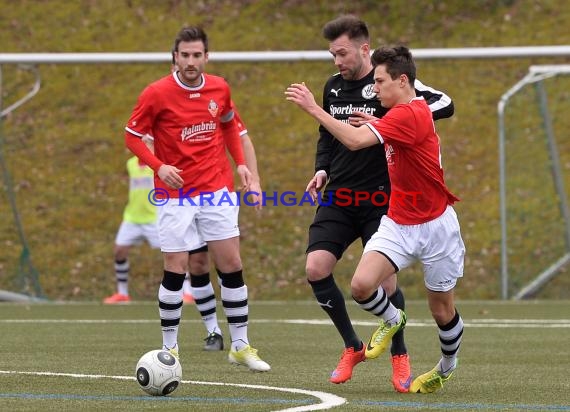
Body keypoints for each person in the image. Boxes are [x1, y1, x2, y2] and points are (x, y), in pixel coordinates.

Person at [286, 45, 465, 394]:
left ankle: (446, 366)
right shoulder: (396, 115)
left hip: (436, 227)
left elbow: (354, 141)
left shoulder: (410, 114)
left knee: (442, 310)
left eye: (380, 82)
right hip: (399, 221)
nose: (375, 88)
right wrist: (377, 124)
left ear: (402, 81)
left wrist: (313, 108)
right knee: (361, 286)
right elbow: (381, 131)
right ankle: (392, 318)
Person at [124, 25, 270, 372]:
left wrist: (242, 167)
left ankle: (240, 345)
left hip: (217, 190)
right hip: (175, 195)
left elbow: (229, 125)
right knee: (176, 268)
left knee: (231, 264)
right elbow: (131, 137)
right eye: (184, 55)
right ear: (175, 57)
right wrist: (159, 167)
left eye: (196, 55)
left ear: (206, 56)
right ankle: (169, 350)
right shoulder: (156, 93)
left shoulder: (220, 87)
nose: (190, 61)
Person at [187, 107, 263, 352]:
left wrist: (254, 181)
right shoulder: (163, 99)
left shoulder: (215, 98)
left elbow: (243, 138)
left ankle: (239, 339)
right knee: (197, 262)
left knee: (227, 262)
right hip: (183, 196)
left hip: (218, 193)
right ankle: (212, 331)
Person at [104, 134, 195, 304]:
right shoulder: (131, 164)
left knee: (175, 252)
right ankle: (122, 293)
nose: (144, 144)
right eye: (143, 142)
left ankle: (188, 291)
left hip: (154, 218)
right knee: (119, 250)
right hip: (132, 217)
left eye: (148, 141)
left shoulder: (159, 165)